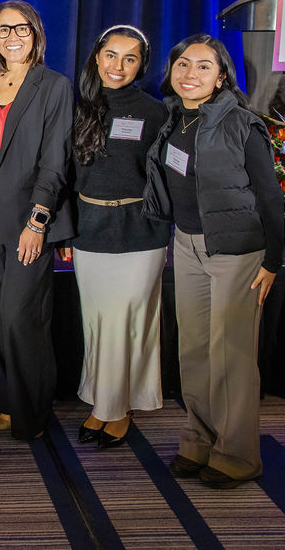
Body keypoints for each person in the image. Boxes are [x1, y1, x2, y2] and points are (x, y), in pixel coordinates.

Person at [143, 33, 284, 489]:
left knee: (233, 355)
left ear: (222, 75)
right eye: (183, 64)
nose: (190, 73)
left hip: (238, 252)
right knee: (195, 350)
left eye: (204, 66)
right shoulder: (173, 118)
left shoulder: (242, 123)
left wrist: (274, 261)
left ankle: (238, 454)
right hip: (186, 245)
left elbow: (269, 196)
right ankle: (200, 437)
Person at [0, 0, 74, 440]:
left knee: (22, 316)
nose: (11, 37)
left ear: (35, 33)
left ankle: (32, 410)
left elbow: (55, 162)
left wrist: (38, 222)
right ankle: (4, 401)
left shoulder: (53, 86)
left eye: (21, 29)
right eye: (2, 30)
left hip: (28, 216)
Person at [70, 25, 170, 449]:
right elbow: (66, 176)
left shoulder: (158, 112)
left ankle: (114, 409)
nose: (118, 66)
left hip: (140, 233)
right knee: (98, 323)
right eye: (111, 55)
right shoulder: (78, 108)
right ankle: (107, 399)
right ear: (97, 57)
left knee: (130, 322)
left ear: (140, 66)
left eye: (130, 58)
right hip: (89, 231)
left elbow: (166, 176)